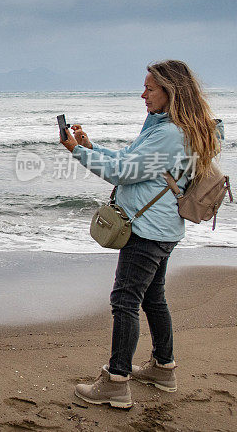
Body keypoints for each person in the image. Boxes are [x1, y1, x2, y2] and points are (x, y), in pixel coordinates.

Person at [60, 60, 222, 409]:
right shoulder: (170, 127)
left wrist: (76, 151)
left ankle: (116, 382)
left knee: (125, 301)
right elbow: (130, 160)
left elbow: (122, 172)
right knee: (153, 298)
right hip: (163, 228)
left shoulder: (169, 134)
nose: (143, 94)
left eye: (150, 88)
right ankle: (163, 369)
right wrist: (90, 146)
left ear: (170, 91)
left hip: (147, 231)